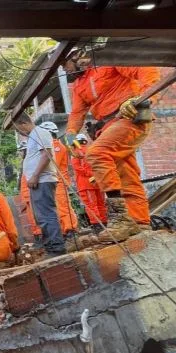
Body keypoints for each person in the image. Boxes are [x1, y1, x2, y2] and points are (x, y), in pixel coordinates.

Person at [63, 49, 159, 241]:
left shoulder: (107, 61)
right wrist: (70, 133)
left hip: (129, 116)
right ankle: (139, 223)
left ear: (76, 57)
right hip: (108, 126)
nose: (64, 70)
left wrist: (145, 98)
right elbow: (77, 113)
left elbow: (146, 70)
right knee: (126, 174)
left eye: (64, 64)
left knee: (97, 153)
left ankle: (119, 218)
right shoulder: (79, 85)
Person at [13, 112, 66, 258]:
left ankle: (56, 248)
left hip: (43, 180)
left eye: (18, 129)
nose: (19, 133)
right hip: (38, 181)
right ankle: (51, 246)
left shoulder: (40, 133)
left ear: (23, 123)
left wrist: (35, 176)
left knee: (47, 215)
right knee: (41, 216)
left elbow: (46, 155)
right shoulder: (32, 136)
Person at [39, 121, 79, 244]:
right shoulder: (53, 146)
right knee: (58, 209)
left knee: (63, 207)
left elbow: (50, 164)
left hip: (58, 182)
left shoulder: (56, 147)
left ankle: (70, 230)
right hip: (54, 182)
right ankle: (65, 231)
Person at [71, 134, 108, 231]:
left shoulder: (77, 153)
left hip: (86, 184)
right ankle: (104, 223)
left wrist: (91, 174)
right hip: (98, 183)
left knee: (91, 205)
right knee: (101, 204)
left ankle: (97, 226)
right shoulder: (92, 151)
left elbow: (78, 168)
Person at [18, 141, 43, 246]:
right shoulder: (25, 162)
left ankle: (42, 237)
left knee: (37, 217)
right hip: (27, 195)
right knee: (32, 218)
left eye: (21, 151)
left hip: (32, 193)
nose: (20, 154)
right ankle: (38, 237)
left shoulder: (31, 162)